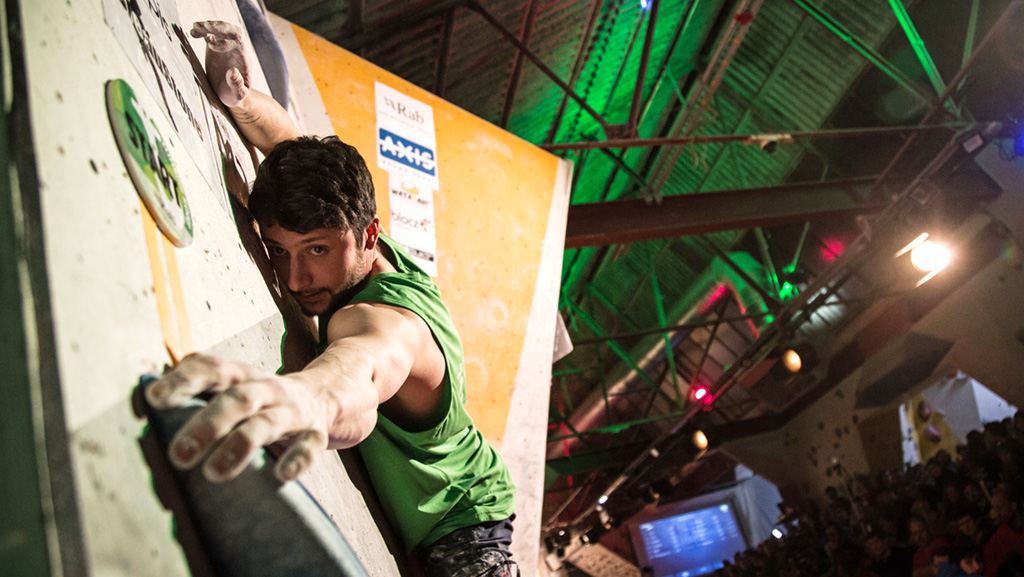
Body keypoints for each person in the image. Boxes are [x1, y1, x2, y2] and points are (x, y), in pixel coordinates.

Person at [145, 20, 518, 577]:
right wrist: (241, 97)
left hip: (467, 529)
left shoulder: (386, 322)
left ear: (368, 234)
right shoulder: (354, 227)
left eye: (315, 249)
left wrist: (310, 399)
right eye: (278, 250)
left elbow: (360, 373)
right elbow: (287, 139)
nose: (295, 279)